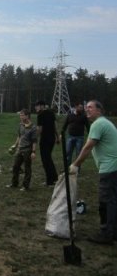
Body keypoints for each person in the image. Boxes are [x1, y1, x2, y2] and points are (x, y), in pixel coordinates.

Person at [70, 100, 117, 244]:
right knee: (112, 201)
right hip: (113, 167)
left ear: (99, 110)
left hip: (110, 168)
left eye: (90, 107)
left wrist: (75, 164)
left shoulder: (98, 124)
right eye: (86, 108)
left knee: (106, 201)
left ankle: (106, 234)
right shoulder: (104, 123)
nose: (87, 110)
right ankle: (113, 232)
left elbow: (88, 147)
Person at [7, 109, 37, 191]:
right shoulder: (20, 125)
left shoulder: (33, 127)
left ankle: (25, 186)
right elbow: (19, 136)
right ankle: (14, 183)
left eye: (22, 115)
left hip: (28, 150)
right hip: (20, 149)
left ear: (27, 116)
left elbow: (34, 141)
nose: (20, 116)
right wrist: (15, 145)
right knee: (15, 166)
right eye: (20, 115)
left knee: (27, 168)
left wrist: (33, 152)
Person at [35, 100, 59, 186]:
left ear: (41, 106)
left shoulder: (40, 115)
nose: (35, 108)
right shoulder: (51, 113)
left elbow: (39, 129)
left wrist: (35, 138)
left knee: (45, 160)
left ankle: (50, 181)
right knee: (48, 158)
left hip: (44, 140)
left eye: (36, 106)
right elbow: (55, 126)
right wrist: (57, 137)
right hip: (51, 139)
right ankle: (55, 177)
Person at [62, 102, 90, 166]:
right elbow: (65, 125)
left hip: (80, 138)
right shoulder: (70, 115)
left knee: (78, 154)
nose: (81, 109)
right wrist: (61, 134)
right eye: (80, 107)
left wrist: (90, 135)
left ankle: (76, 169)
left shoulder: (83, 116)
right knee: (68, 153)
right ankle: (67, 168)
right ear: (75, 107)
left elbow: (88, 126)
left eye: (82, 108)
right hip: (70, 137)